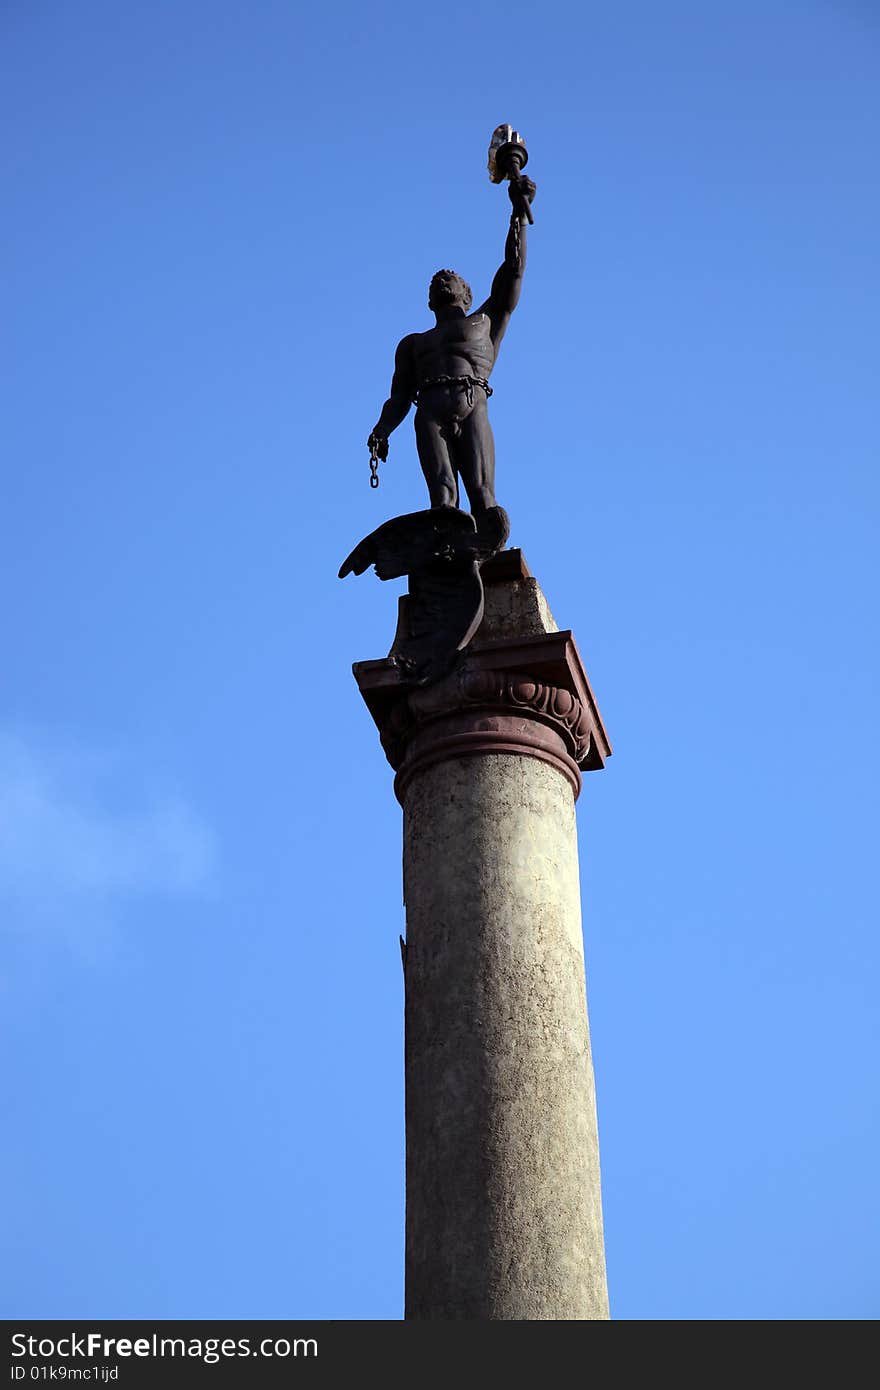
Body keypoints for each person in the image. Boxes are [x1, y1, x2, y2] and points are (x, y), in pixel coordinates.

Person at [368, 175, 536, 525]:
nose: (442, 278)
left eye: (451, 278)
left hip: (471, 402)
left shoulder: (486, 321)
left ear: (466, 293)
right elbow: (398, 397)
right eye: (436, 281)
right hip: (428, 411)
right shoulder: (412, 344)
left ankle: (489, 548)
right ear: (430, 300)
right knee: (443, 496)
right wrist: (382, 429)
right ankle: (447, 551)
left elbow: (513, 271)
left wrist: (517, 215)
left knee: (481, 493)